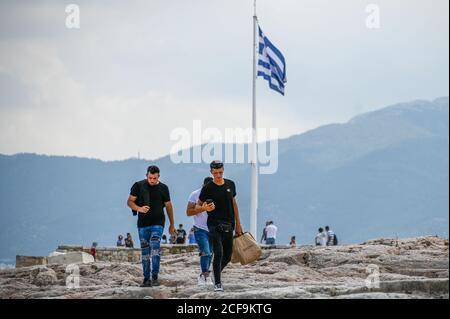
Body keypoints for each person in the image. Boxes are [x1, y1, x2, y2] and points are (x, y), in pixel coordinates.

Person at [196, 160, 243, 292]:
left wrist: (238, 224)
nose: (218, 175)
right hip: (214, 224)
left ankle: (214, 273)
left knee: (227, 256)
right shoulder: (208, 188)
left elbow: (234, 204)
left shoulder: (230, 184)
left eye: (220, 172)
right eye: (215, 173)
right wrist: (204, 207)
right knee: (219, 252)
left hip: (229, 223)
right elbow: (197, 205)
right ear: (211, 172)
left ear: (223, 170)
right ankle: (218, 283)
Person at [127, 165, 176, 287]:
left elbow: (169, 206)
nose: (152, 180)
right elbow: (129, 202)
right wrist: (139, 208)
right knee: (145, 252)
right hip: (143, 224)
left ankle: (154, 277)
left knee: (155, 248)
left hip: (158, 223)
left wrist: (172, 224)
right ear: (146, 176)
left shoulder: (164, 188)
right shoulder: (138, 186)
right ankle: (146, 279)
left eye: (155, 178)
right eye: (150, 178)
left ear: (159, 176)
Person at [186, 177, 214, 286]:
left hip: (213, 228)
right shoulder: (195, 194)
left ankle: (205, 274)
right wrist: (203, 208)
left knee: (210, 253)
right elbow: (188, 212)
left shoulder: (216, 194)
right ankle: (205, 274)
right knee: (205, 251)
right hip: (200, 228)